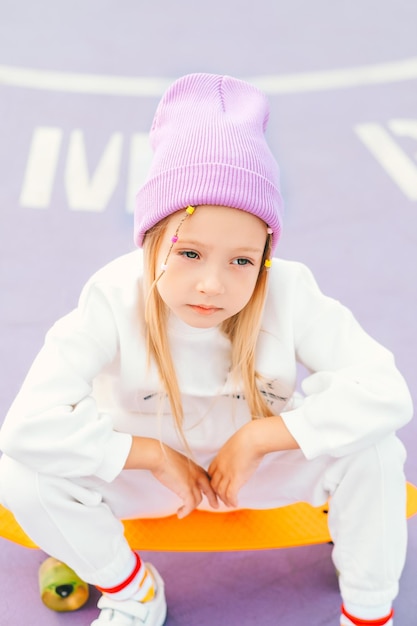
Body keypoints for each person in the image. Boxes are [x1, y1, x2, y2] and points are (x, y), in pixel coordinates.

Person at [0, 73, 413, 626]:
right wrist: (149, 454)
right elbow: (26, 427)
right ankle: (133, 590)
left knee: (376, 453)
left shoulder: (288, 291)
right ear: (150, 239)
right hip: (150, 480)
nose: (212, 284)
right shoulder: (113, 294)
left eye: (241, 260)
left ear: (266, 257)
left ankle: (367, 611)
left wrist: (261, 437)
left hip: (256, 471)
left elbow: (387, 393)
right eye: (189, 253)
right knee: (20, 475)